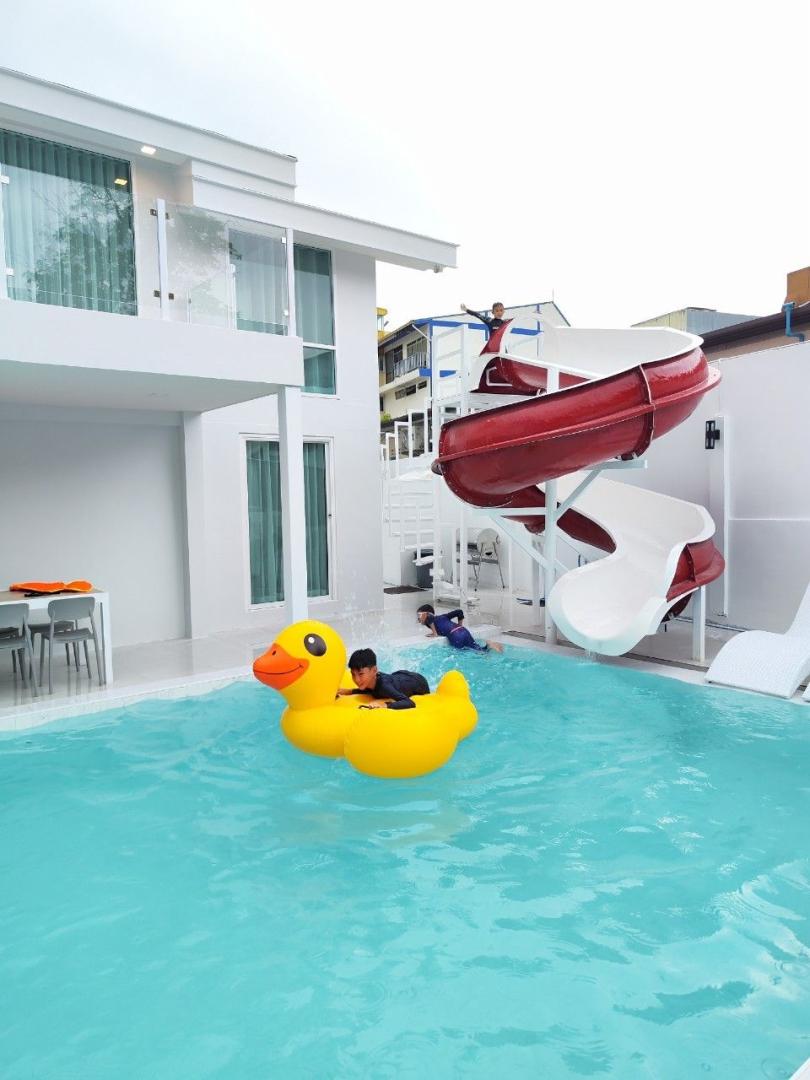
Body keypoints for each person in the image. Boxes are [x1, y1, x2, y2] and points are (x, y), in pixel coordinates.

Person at [337, 648, 430, 710]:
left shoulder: (384, 686)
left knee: (388, 684)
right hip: (400, 676)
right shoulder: (370, 682)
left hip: (419, 683)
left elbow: (409, 703)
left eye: (361, 674)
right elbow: (369, 690)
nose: (356, 679)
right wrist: (349, 691)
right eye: (353, 674)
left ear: (374, 670)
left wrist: (384, 705)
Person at [416, 604, 503, 653]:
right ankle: (489, 645)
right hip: (463, 630)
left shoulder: (431, 620)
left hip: (456, 636)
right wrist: (459, 626)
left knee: (463, 654)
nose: (418, 618)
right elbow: (459, 612)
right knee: (477, 649)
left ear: (427, 614)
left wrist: (435, 633)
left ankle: (489, 646)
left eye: (419, 615)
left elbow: (430, 619)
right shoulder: (443, 617)